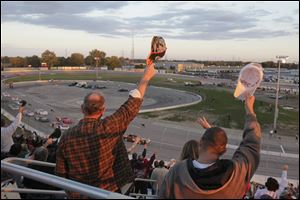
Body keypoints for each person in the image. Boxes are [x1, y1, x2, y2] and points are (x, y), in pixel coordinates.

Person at [56, 62, 156, 198]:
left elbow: (60, 173)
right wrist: (145, 78)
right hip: (108, 191)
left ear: (82, 109)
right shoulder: (108, 126)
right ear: (103, 110)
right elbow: (132, 105)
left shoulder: (66, 137)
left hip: (80, 194)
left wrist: (74, 194)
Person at [159, 95, 261, 199]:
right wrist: (249, 110)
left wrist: (210, 131)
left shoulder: (177, 172)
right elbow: (252, 144)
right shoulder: (236, 174)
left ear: (200, 143)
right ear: (224, 150)